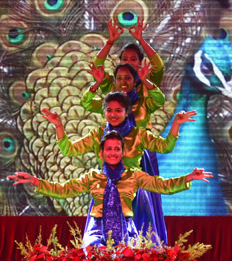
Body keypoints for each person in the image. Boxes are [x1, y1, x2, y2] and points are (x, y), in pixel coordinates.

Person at [8, 131, 211, 247]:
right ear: (102, 152)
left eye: (117, 149)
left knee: (130, 259)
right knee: (92, 256)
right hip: (96, 231)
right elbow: (63, 190)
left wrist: (188, 178)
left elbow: (162, 186)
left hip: (128, 232)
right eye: (108, 149)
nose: (113, 153)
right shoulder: (93, 177)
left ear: (122, 152)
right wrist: (36, 182)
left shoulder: (134, 175)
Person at [43, 92, 195, 244]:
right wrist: (58, 126)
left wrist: (176, 124)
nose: (113, 114)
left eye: (118, 110)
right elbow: (69, 150)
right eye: (109, 110)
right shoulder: (98, 135)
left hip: (133, 193)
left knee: (138, 247)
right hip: (105, 192)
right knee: (98, 245)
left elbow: (165, 147)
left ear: (126, 112)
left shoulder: (139, 135)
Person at [82, 62, 165, 131]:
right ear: (115, 82)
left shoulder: (143, 104)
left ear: (135, 81)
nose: (123, 81)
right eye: (119, 78)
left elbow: (160, 100)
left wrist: (145, 80)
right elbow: (86, 103)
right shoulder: (108, 104)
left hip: (140, 145)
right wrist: (97, 83)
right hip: (111, 145)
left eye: (127, 78)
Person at [92, 17, 165, 93]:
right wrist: (110, 42)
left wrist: (141, 40)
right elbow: (96, 67)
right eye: (125, 59)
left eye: (133, 59)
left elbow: (159, 67)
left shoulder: (148, 83)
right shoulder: (111, 85)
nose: (129, 62)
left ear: (140, 62)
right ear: (120, 62)